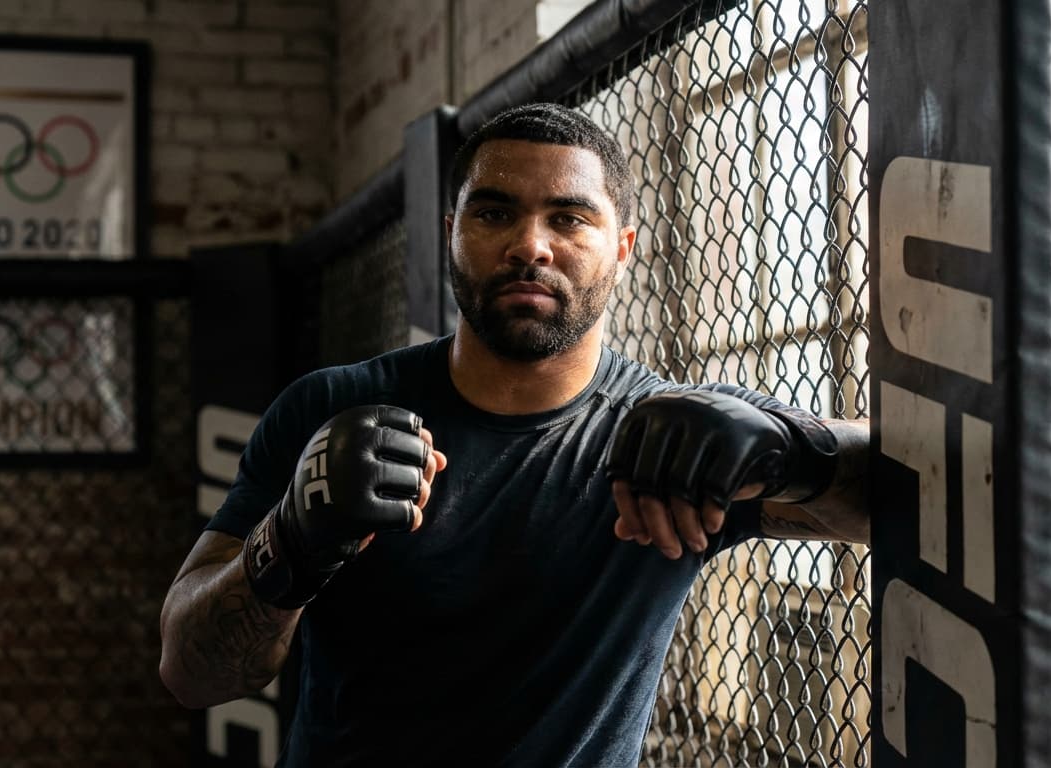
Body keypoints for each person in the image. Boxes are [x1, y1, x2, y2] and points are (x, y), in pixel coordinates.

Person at [159, 102, 870, 767]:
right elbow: (192, 673)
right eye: (496, 212)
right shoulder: (333, 406)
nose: (530, 246)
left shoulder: (673, 443)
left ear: (622, 248)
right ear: (451, 232)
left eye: (569, 218)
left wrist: (795, 450)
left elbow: (903, 502)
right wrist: (290, 541)